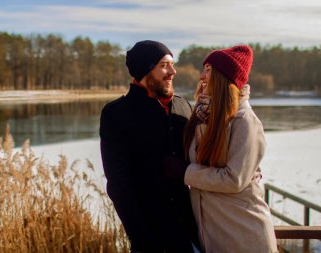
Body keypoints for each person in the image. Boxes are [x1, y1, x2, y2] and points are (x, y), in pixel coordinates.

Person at [100, 40, 199, 253]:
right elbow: (119, 185)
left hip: (193, 235)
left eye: (172, 64)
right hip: (151, 238)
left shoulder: (183, 106)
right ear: (145, 69)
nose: (173, 71)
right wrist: (143, 239)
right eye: (164, 65)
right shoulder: (117, 114)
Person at [183, 45, 278, 253]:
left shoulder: (245, 121)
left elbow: (234, 179)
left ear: (222, 77)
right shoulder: (203, 116)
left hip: (244, 235)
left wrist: (185, 173)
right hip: (215, 236)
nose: (202, 76)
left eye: (208, 70)